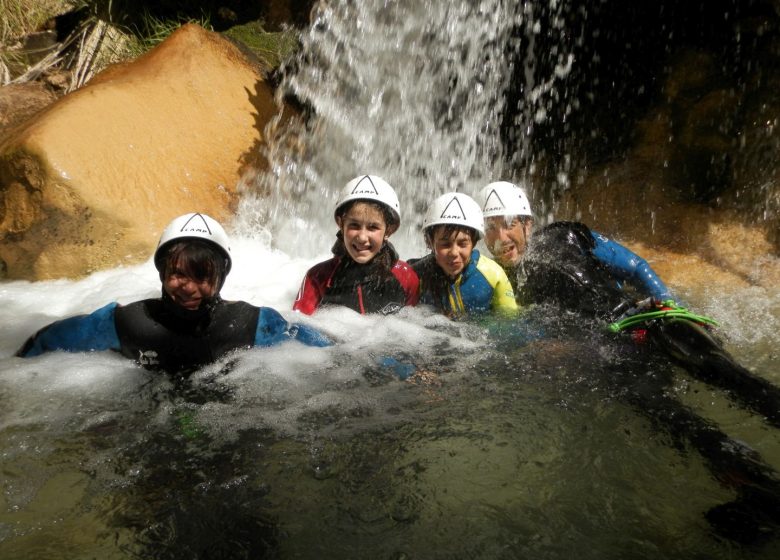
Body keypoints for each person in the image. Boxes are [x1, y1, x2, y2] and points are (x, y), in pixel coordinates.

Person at [17, 212, 331, 373]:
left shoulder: (250, 323)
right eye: (178, 274)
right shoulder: (127, 323)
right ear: (162, 272)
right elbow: (49, 340)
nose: (189, 288)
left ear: (221, 277)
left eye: (202, 276)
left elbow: (320, 346)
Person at [477, 180, 674, 318]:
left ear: (527, 225)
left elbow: (635, 267)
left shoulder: (565, 236)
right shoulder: (490, 276)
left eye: (509, 224)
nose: (501, 238)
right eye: (491, 228)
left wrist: (670, 304)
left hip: (627, 309)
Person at [293, 175, 419, 315]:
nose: (362, 237)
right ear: (341, 224)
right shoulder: (318, 276)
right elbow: (298, 325)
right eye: (354, 225)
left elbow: (416, 326)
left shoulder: (406, 276)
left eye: (372, 227)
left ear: (389, 230)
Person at [412, 192, 517, 318]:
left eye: (462, 244)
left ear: (474, 242)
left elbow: (510, 319)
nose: (454, 253)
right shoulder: (417, 276)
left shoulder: (493, 274)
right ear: (429, 242)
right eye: (445, 245)